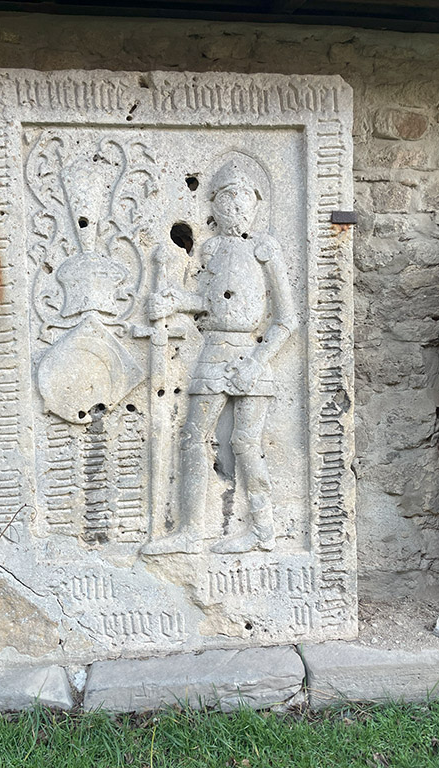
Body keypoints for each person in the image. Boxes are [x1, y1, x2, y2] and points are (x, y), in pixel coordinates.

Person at [143, 156, 297, 555]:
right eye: (227, 199)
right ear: (213, 205)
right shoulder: (210, 249)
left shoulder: (264, 248)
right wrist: (177, 301)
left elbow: (287, 319)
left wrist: (257, 363)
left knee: (246, 442)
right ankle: (192, 529)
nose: (235, 207)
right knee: (194, 437)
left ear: (256, 204)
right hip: (213, 350)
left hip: (250, 353)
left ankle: (263, 529)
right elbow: (209, 303)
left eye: (244, 198)